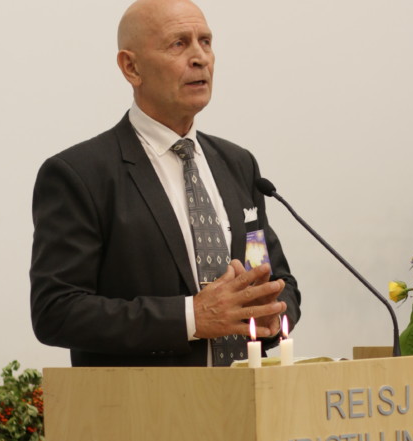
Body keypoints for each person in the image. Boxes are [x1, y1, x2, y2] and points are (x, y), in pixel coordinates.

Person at [29, 0, 301, 367]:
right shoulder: (80, 175)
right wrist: (190, 318)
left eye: (206, 42)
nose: (200, 58)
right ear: (131, 67)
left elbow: (279, 279)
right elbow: (56, 310)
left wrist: (273, 313)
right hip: (146, 401)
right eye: (179, 44)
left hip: (244, 395)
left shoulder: (238, 163)